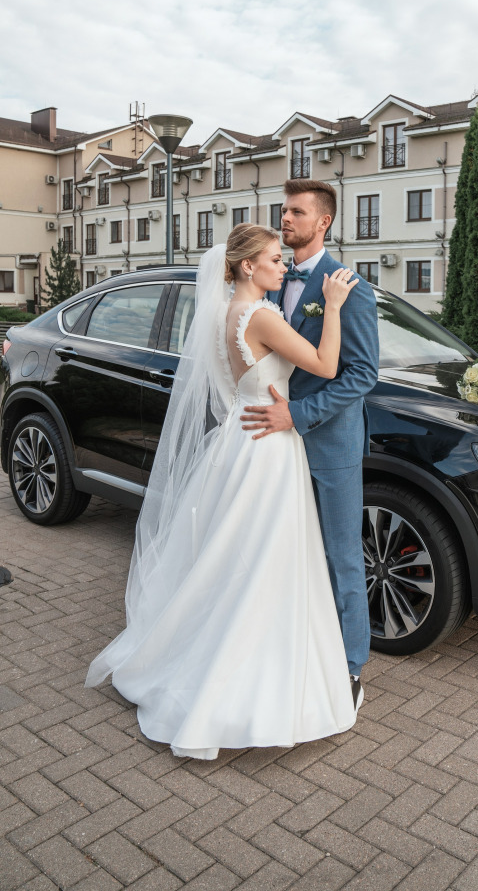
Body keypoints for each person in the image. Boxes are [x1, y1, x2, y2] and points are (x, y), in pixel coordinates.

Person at [86, 224, 362, 759]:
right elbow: (326, 366)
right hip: (268, 448)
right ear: (245, 267)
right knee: (263, 560)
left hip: (240, 437)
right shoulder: (260, 316)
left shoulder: (222, 316)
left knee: (237, 557)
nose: (284, 267)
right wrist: (331, 305)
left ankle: (218, 650)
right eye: (275, 260)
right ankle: (245, 673)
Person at [242, 180, 380, 709]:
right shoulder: (272, 278)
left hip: (327, 444)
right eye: (284, 211)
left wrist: (297, 415)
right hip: (274, 444)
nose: (286, 219)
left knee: (343, 555)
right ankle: (290, 645)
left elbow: (361, 375)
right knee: (285, 549)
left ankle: (349, 668)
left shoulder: (350, 287)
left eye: (296, 212)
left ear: (323, 222)